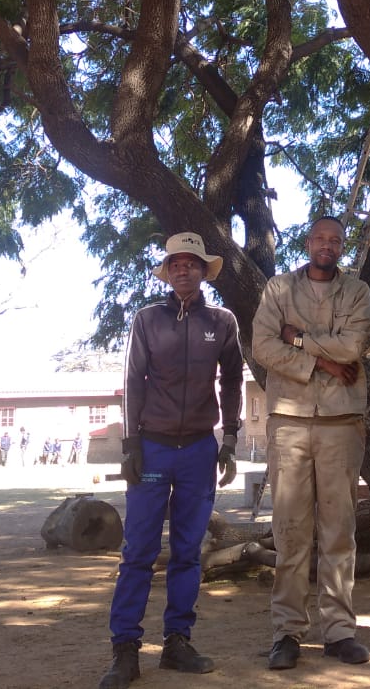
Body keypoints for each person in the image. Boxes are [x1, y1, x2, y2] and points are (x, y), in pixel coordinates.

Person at [98, 232, 244, 689]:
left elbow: (234, 383)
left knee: (188, 552)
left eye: (192, 263)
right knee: (138, 551)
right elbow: (133, 383)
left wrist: (232, 439)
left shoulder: (222, 322)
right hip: (154, 449)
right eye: (175, 264)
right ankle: (125, 650)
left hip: (200, 448)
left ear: (204, 271)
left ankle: (178, 642)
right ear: (167, 272)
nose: (184, 270)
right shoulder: (147, 320)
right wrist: (131, 445)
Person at [251, 215, 370, 670]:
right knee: (290, 531)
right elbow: (263, 345)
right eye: (320, 238)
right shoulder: (278, 289)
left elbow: (352, 346)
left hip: (342, 421)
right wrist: (320, 364)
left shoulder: (357, 291)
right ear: (307, 242)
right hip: (289, 420)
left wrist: (298, 337)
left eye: (335, 240)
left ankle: (340, 630)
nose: (327, 245)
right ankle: (287, 631)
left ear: (342, 246)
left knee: (339, 529)